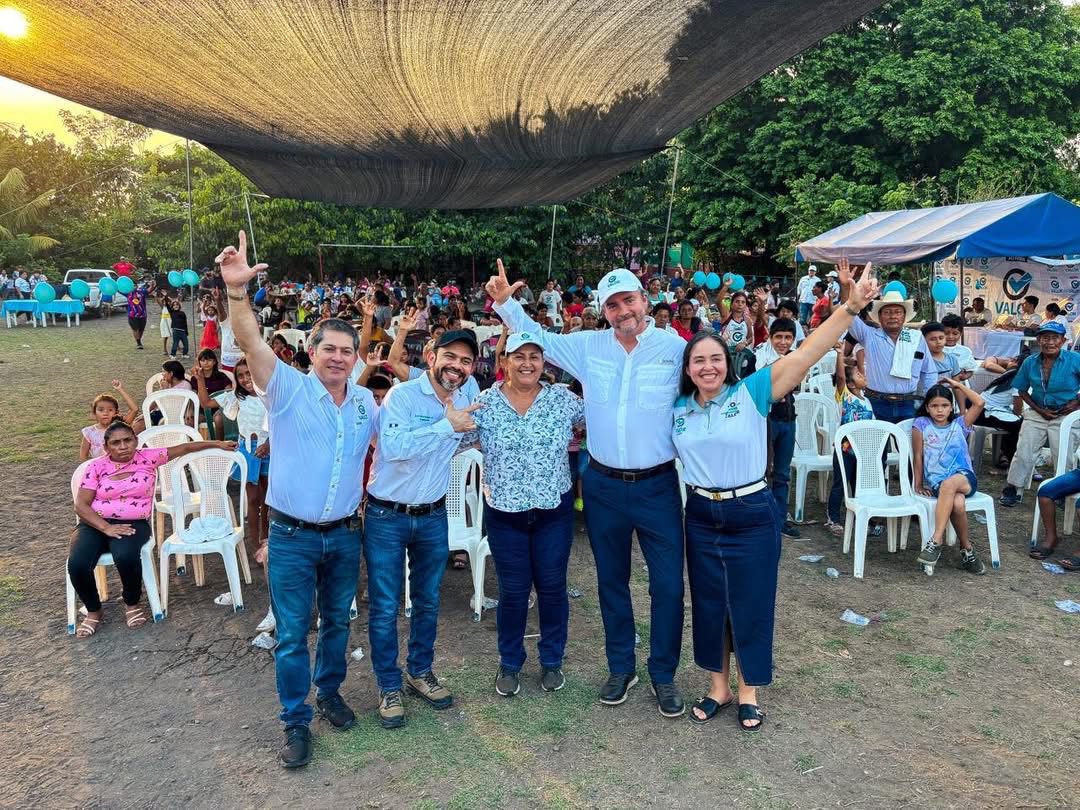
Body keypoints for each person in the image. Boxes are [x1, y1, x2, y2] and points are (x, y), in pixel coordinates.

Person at [676, 262, 880, 730]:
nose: (708, 367)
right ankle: (718, 688)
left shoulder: (750, 392)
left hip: (750, 511)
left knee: (750, 602)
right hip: (701, 514)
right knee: (709, 603)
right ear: (687, 369)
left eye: (715, 358)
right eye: (698, 361)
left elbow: (807, 354)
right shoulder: (677, 411)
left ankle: (749, 691)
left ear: (728, 363)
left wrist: (849, 308)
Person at [488, 261, 688, 718]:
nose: (623, 311)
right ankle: (621, 668)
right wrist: (505, 303)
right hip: (603, 486)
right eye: (612, 305)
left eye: (629, 300)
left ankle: (663, 674)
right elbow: (539, 337)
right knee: (611, 581)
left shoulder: (674, 348)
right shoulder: (588, 346)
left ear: (645, 300)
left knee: (667, 586)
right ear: (604, 310)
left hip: (657, 485)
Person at [216, 230, 378, 769]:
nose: (338, 357)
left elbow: (394, 445)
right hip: (290, 536)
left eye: (347, 351)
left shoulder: (365, 403)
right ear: (312, 352)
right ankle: (295, 720)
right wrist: (237, 292)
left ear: (356, 358)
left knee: (337, 623)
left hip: (345, 534)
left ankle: (329, 693)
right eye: (329, 348)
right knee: (290, 634)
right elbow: (250, 339)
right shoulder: (285, 387)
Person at [363, 329, 481, 729]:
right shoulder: (402, 396)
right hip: (387, 515)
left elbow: (466, 440)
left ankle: (419, 671)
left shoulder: (465, 398)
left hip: (433, 514)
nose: (457, 366)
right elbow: (394, 448)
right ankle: (388, 685)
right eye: (451, 356)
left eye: (466, 361)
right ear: (431, 356)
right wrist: (446, 426)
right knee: (385, 605)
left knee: (428, 600)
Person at [470, 332, 585, 697]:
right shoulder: (485, 403)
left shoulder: (563, 400)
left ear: (544, 362)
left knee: (552, 588)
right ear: (504, 361)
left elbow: (601, 417)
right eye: (518, 356)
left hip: (553, 511)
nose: (527, 363)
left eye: (534, 356)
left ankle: (551, 660)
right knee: (514, 591)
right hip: (505, 514)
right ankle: (509, 662)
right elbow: (456, 438)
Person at [71, 420, 232, 638]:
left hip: (133, 522)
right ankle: (93, 610)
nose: (123, 446)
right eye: (116, 443)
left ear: (136, 441)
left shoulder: (148, 457)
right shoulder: (96, 467)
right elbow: (81, 505)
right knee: (78, 563)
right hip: (94, 523)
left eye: (128, 440)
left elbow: (185, 447)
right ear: (106, 446)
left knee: (125, 556)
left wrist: (218, 443)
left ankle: (131, 603)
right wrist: (106, 527)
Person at [839, 259, 939, 423]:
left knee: (907, 441)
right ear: (879, 317)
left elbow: (928, 372)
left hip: (909, 403)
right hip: (876, 402)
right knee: (877, 441)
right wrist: (845, 287)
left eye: (897, 312)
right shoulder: (869, 335)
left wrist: (928, 402)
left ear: (904, 316)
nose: (893, 316)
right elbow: (848, 314)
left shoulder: (916, 338)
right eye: (887, 312)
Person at [999, 321, 1080, 507]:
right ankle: (1014, 488)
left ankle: (1062, 491)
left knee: (1064, 454)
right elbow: (1022, 390)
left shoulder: (1075, 359)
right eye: (1045, 338)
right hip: (1038, 411)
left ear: (1063, 341)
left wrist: (1075, 404)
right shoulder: (1030, 362)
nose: (1049, 342)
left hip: (1065, 413)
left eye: (1054, 338)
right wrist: (1039, 410)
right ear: (1038, 340)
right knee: (1024, 451)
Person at [912, 380, 987, 574]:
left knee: (950, 484)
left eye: (945, 405)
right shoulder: (921, 424)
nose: (940, 410)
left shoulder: (960, 424)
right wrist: (918, 483)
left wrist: (957, 385)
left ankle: (936, 541)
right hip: (938, 483)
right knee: (958, 503)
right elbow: (918, 456)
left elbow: (979, 402)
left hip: (964, 477)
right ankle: (967, 550)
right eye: (934, 406)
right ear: (927, 408)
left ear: (951, 407)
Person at [749, 318, 800, 538]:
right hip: (766, 420)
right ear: (770, 337)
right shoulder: (759, 357)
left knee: (782, 473)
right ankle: (758, 518)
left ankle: (779, 519)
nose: (783, 342)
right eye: (778, 337)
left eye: (788, 337)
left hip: (788, 420)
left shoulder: (795, 358)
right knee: (760, 471)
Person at [824, 349, 875, 537]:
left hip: (862, 451)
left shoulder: (867, 401)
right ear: (851, 383)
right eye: (859, 375)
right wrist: (839, 355)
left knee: (858, 484)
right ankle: (833, 518)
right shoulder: (845, 396)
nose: (863, 376)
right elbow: (840, 377)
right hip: (845, 449)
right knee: (840, 483)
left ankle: (860, 518)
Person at [972, 368, 1022, 469]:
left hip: (987, 410)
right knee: (1018, 424)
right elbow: (1018, 408)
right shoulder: (1019, 381)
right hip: (983, 413)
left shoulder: (1012, 373)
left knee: (1017, 423)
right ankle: (1012, 460)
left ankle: (1005, 455)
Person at [80, 382, 141, 460]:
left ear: (116, 413)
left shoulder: (120, 426)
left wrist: (120, 389)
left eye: (110, 410)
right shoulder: (89, 432)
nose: (105, 413)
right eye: (101, 410)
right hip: (101, 467)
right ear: (94, 413)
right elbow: (83, 456)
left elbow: (134, 409)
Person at [940, 314, 977, 382]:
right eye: (946, 333)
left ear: (961, 334)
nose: (950, 337)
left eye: (955, 333)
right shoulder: (937, 349)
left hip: (959, 384)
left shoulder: (965, 351)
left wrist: (964, 376)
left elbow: (971, 369)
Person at [126, 282, 149, 350]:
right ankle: (138, 343)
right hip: (132, 315)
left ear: (137, 286)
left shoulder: (142, 292)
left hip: (142, 314)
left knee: (141, 330)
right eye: (132, 285)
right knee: (135, 329)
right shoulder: (127, 292)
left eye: (135, 285)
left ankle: (139, 340)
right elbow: (119, 289)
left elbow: (149, 290)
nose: (134, 286)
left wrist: (153, 285)